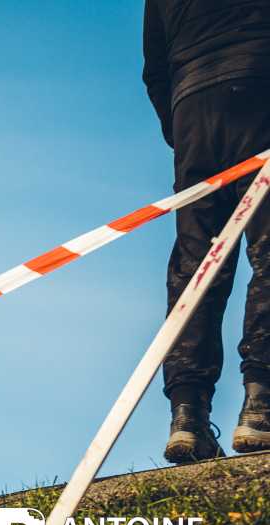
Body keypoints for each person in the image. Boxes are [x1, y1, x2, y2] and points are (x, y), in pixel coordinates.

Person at [143, 0, 270, 464]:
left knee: (197, 264)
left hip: (193, 105)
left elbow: (154, 70)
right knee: (269, 248)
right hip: (259, 80)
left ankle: (188, 417)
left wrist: (180, 130)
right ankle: (261, 401)